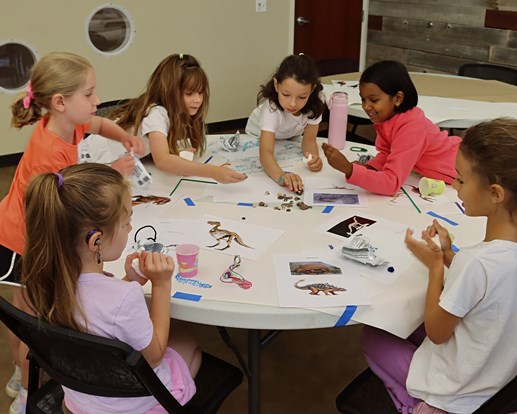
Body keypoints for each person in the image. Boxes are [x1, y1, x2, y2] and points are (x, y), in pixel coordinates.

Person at [361, 119, 517, 413]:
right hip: (496, 371)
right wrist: (448, 256)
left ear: (496, 194)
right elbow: (490, 287)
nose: (454, 186)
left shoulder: (476, 263)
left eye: (461, 180)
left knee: (374, 336)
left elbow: (437, 333)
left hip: (459, 390)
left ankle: (422, 406)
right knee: (406, 324)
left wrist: (436, 268)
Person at [0, 51, 143, 414]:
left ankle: (22, 373)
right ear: (61, 102)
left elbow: (96, 124)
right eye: (90, 94)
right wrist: (114, 169)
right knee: (32, 321)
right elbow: (74, 194)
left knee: (29, 310)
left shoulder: (65, 122)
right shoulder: (50, 151)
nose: (97, 102)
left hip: (31, 233)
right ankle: (24, 386)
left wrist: (123, 135)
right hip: (22, 242)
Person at [21, 163, 202, 413]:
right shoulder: (124, 298)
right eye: (126, 222)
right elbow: (154, 357)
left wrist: (128, 281)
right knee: (189, 340)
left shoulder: (42, 281)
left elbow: (96, 312)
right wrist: (161, 284)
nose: (129, 229)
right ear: (96, 240)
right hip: (127, 404)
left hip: (79, 398)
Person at [81, 53, 247, 184]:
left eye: (201, 92)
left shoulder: (165, 111)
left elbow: (156, 149)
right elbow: (163, 161)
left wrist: (176, 153)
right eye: (189, 94)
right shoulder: (156, 113)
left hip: (106, 165)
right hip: (88, 166)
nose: (198, 99)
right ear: (170, 92)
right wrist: (214, 172)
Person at [322, 60, 461, 196]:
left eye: (374, 100)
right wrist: (369, 167)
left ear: (398, 99)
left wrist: (349, 169)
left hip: (465, 168)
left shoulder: (411, 126)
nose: (366, 106)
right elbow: (388, 154)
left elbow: (391, 183)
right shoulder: (388, 119)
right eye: (363, 99)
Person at [245, 54, 326, 192]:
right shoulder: (271, 109)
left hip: (289, 134)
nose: (293, 103)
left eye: (302, 97)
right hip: (257, 136)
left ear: (312, 90)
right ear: (276, 85)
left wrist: (313, 158)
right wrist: (282, 177)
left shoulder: (316, 103)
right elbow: (265, 153)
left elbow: (310, 140)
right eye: (286, 95)